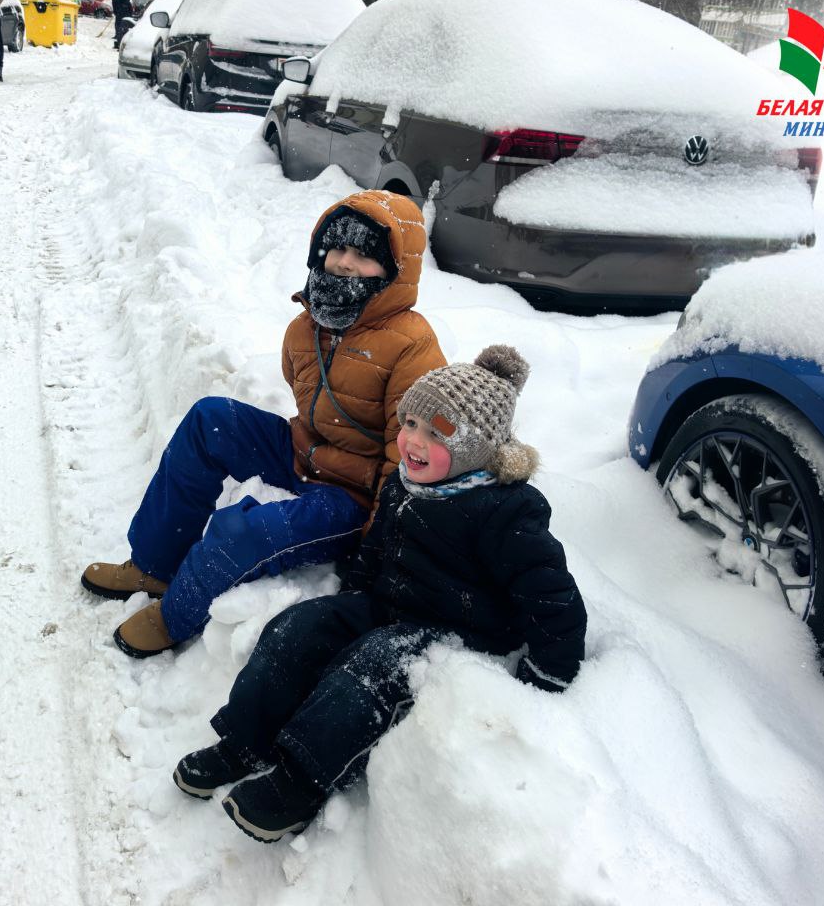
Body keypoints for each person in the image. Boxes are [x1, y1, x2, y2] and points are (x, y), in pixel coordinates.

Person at [171, 346, 589, 843]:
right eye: (410, 422)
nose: (413, 440)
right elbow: (377, 548)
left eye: (436, 433)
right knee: (297, 628)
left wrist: (548, 673)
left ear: (476, 447)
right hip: (389, 605)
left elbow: (552, 596)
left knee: (370, 669)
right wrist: (349, 600)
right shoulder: (405, 482)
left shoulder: (508, 511)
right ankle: (245, 741)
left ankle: (299, 783)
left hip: (454, 634)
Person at [82, 191, 447, 657]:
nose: (345, 262)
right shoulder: (306, 327)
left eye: (364, 254)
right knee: (210, 419)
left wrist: (375, 547)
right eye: (338, 248)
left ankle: (175, 615)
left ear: (396, 270)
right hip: (303, 453)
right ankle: (153, 565)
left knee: (244, 530)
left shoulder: (413, 346)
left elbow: (408, 460)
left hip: (353, 496)